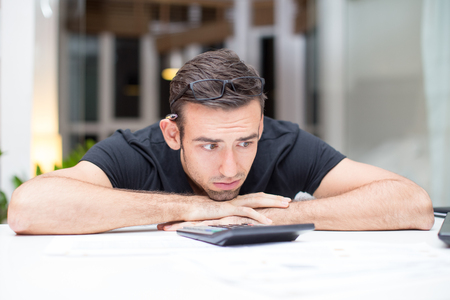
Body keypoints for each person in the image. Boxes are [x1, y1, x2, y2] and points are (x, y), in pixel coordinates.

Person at [8, 49, 434, 235]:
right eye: (210, 145)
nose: (231, 168)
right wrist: (196, 208)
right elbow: (28, 208)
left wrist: (269, 216)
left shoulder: (283, 143)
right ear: (173, 133)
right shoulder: (135, 151)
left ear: (260, 127)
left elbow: (412, 203)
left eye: (245, 142)